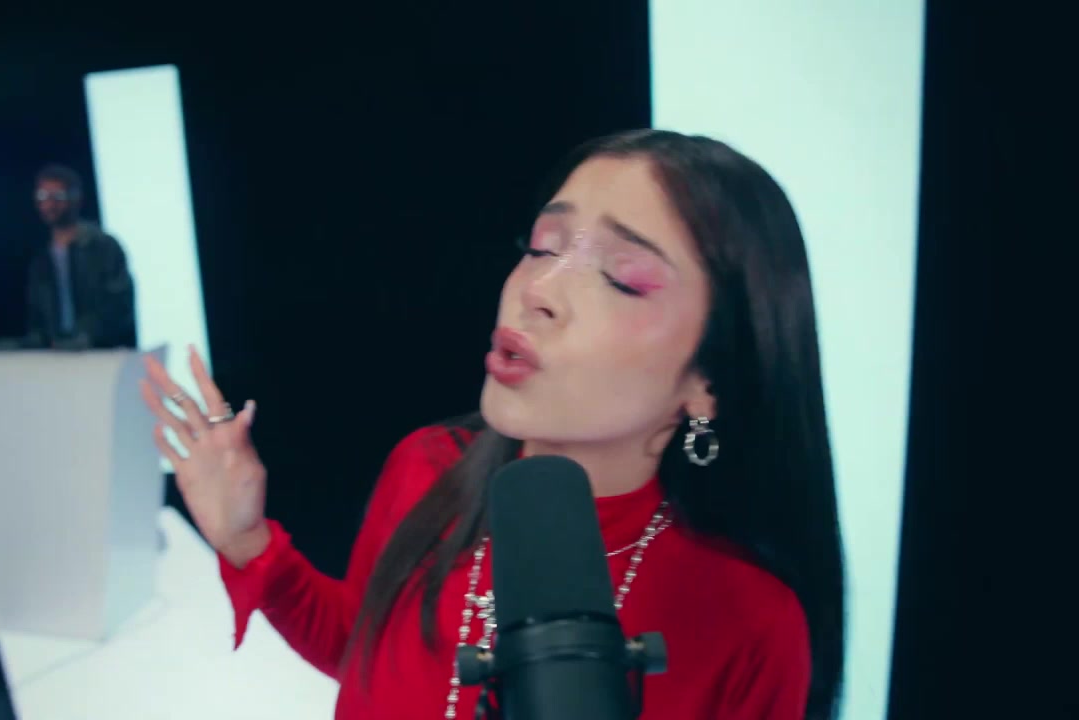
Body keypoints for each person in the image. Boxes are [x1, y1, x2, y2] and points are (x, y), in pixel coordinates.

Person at [140, 129, 845, 719]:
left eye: (621, 278)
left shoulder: (752, 624)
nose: (537, 290)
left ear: (708, 380)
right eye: (542, 247)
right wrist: (247, 542)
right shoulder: (427, 466)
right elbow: (362, 653)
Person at [25, 164, 137, 350]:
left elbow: (118, 305)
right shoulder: (41, 258)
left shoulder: (103, 247)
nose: (49, 204)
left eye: (57, 196)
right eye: (43, 196)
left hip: (100, 352)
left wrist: (85, 337)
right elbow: (37, 313)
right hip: (54, 355)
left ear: (75, 198)